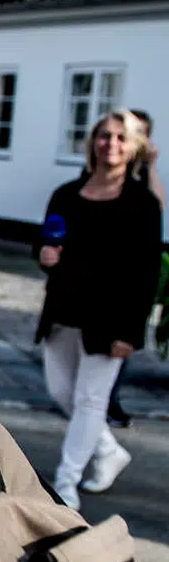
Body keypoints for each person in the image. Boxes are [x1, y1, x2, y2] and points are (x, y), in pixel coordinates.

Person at [35, 110, 161, 508]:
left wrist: (131, 332)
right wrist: (44, 254)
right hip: (63, 310)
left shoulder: (142, 203)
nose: (112, 144)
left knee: (91, 401)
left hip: (109, 320)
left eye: (121, 138)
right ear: (93, 142)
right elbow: (45, 242)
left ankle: (66, 484)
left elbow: (146, 272)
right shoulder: (66, 195)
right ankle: (107, 451)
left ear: (133, 147)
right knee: (63, 393)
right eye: (105, 136)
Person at [105, 108, 164, 428]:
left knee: (118, 345)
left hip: (127, 274)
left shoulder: (141, 174)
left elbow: (157, 206)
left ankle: (109, 403)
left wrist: (151, 167)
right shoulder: (104, 166)